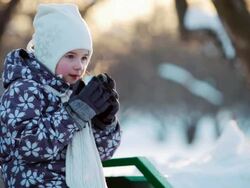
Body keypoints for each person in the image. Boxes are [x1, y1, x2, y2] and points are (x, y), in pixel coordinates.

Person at [0, 3, 121, 188]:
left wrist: (104, 123)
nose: (79, 66)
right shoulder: (24, 90)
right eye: (70, 56)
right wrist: (75, 114)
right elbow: (28, 146)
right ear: (49, 54)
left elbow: (101, 154)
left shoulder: (77, 94)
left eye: (84, 57)